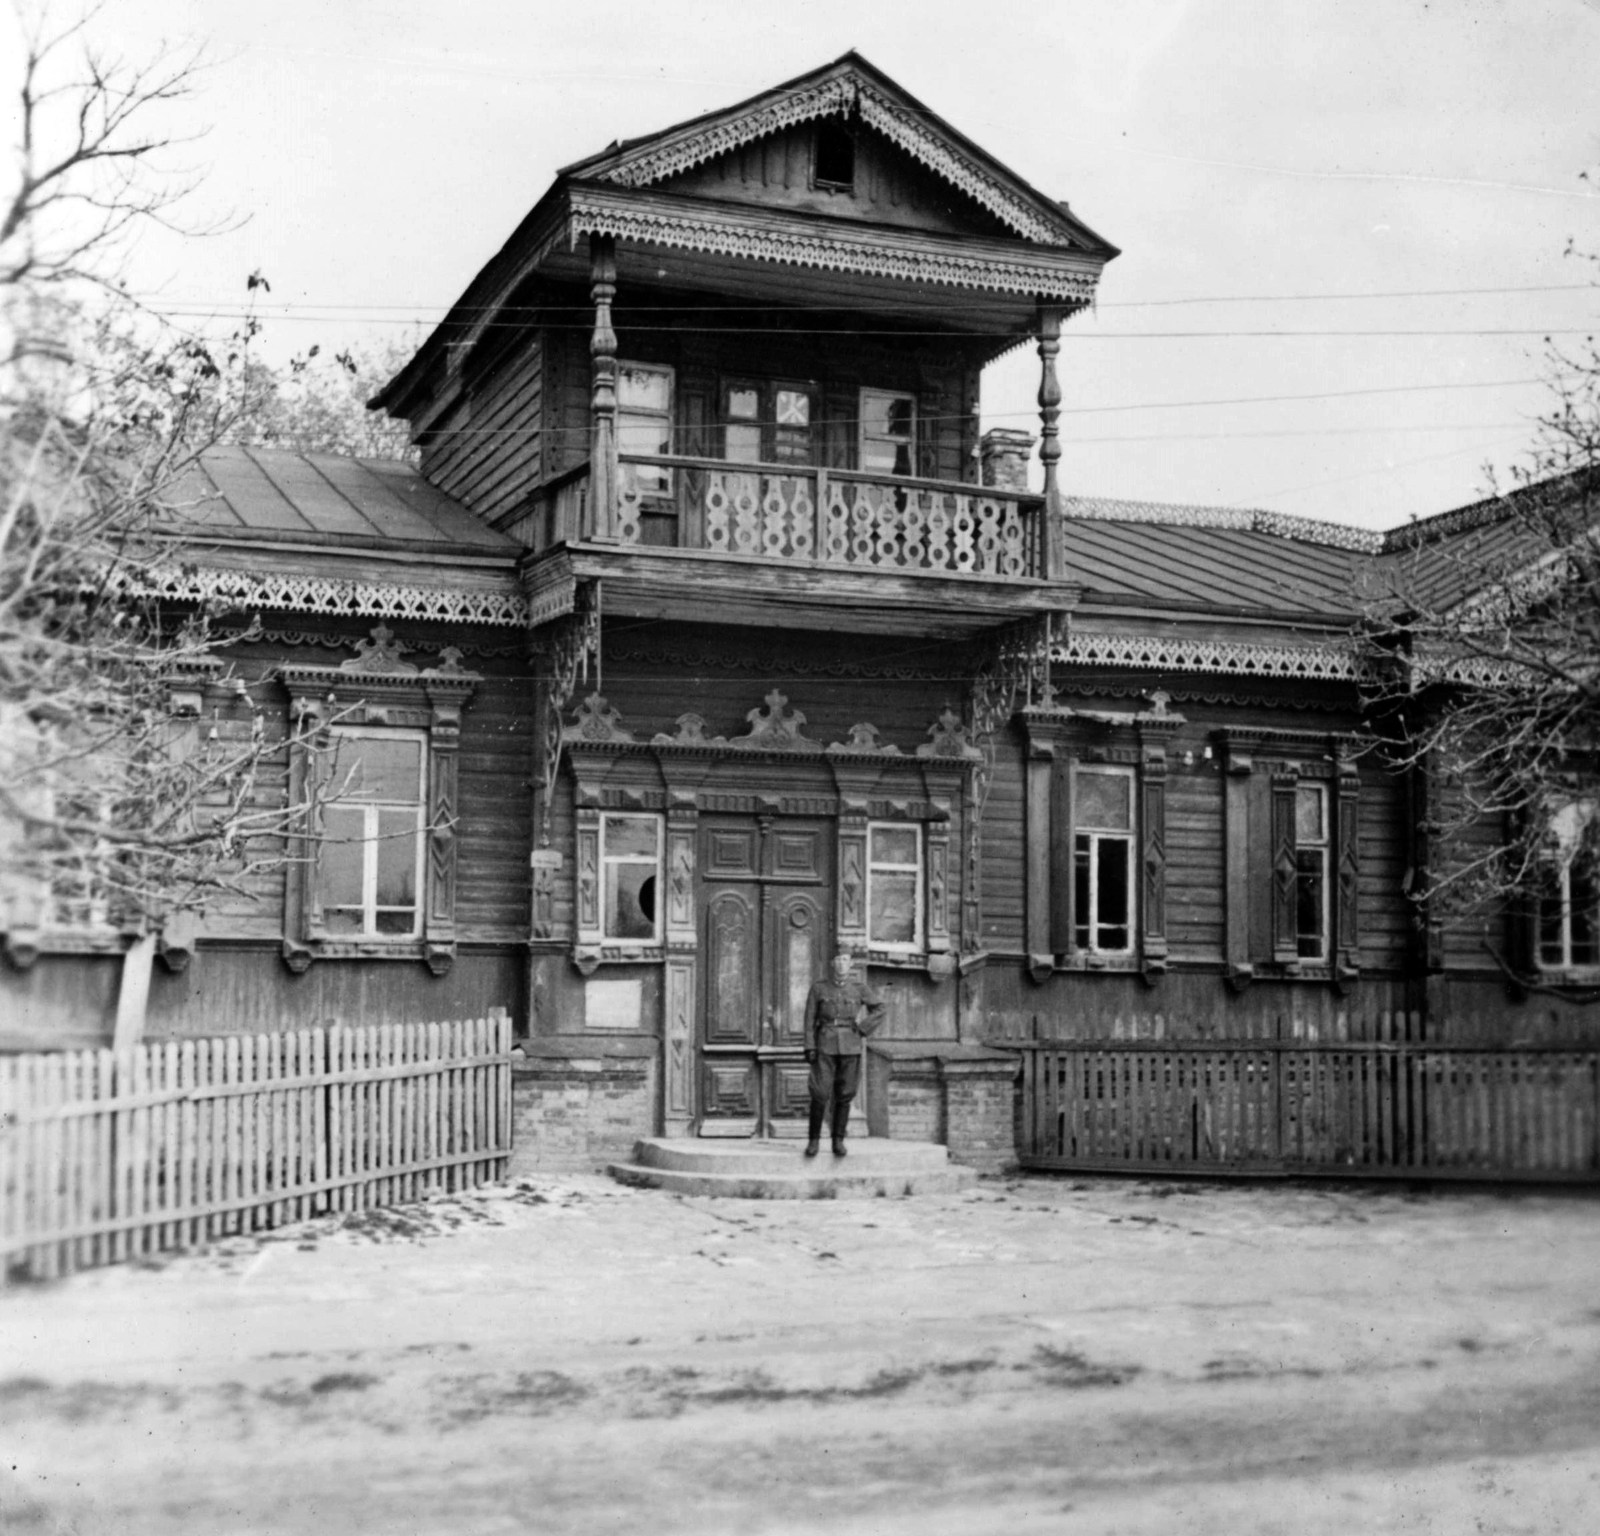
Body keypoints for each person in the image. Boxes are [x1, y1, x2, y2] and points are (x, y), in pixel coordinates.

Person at [802, 951, 885, 1158]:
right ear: (832, 963)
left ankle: (837, 1140)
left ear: (851, 964)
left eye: (845, 960)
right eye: (838, 959)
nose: (841, 964)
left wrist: (863, 1028)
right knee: (820, 1093)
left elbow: (880, 1008)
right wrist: (809, 1046)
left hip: (850, 1045)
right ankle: (813, 1140)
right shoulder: (819, 988)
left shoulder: (859, 989)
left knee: (845, 1093)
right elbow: (809, 1019)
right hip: (825, 1044)